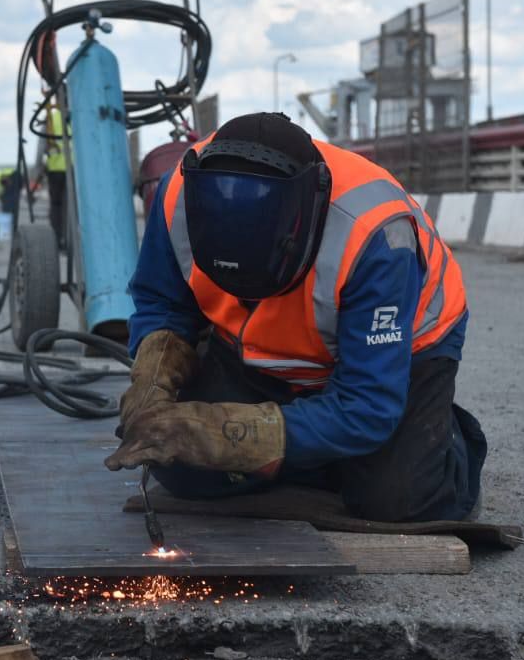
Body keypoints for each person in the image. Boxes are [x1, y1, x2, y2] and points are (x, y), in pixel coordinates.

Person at [104, 112, 486, 523]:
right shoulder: (178, 194)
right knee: (181, 466)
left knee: (396, 499)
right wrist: (153, 378)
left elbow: (367, 404)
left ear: (302, 224)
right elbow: (163, 301)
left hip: (398, 359)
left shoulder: (375, 236)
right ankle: (323, 451)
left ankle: (437, 437)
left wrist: (231, 433)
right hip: (255, 355)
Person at [39, 101, 69, 249]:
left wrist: (38, 170)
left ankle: (57, 240)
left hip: (55, 169)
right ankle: (69, 240)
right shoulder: (79, 116)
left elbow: (42, 145)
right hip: (73, 169)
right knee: (69, 207)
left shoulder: (51, 117)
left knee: (56, 207)